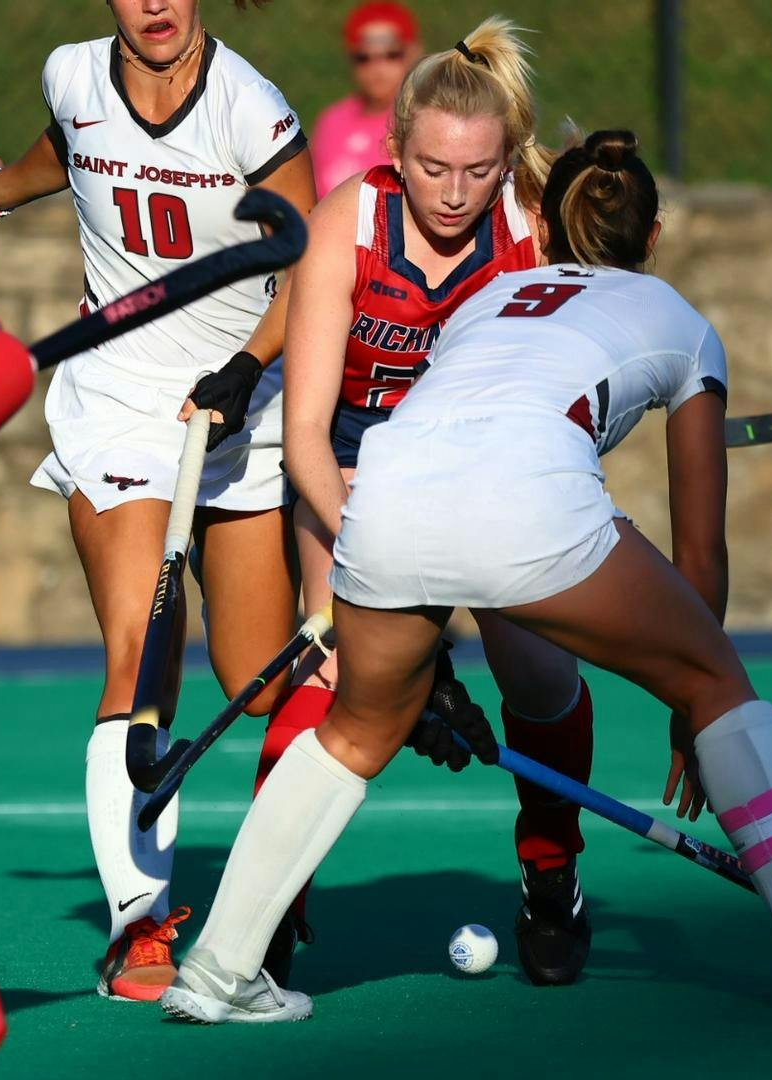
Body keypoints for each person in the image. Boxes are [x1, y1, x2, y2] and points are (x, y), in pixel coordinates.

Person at [160, 131, 772, 1023]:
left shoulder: (485, 300)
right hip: (525, 506)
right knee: (722, 679)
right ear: (651, 240)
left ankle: (218, 972)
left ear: (546, 231)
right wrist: (694, 704)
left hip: (382, 494)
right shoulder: (682, 322)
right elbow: (702, 556)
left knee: (353, 731)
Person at [0, 0, 317, 1002]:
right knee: (141, 646)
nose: (155, 4)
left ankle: (276, 888)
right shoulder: (71, 73)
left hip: (242, 405)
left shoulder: (251, 109)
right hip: (116, 401)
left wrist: (248, 368)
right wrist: (0, 188)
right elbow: (66, 149)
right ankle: (140, 926)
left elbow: (309, 264)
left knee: (262, 682)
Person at [276, 18, 594, 988]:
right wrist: (384, 569)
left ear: (505, 163)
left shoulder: (529, 232)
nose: (455, 194)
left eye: (478, 172)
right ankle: (271, 912)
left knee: (539, 674)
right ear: (394, 147)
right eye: (432, 168)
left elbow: (551, 409)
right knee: (325, 671)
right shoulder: (346, 223)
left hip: (486, 473)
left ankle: (552, 880)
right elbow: (303, 437)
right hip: (351, 479)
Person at [309, 2, 422, 199]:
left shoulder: (424, 119)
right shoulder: (331, 121)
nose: (377, 68)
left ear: (413, 53)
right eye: (364, 57)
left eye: (391, 54)